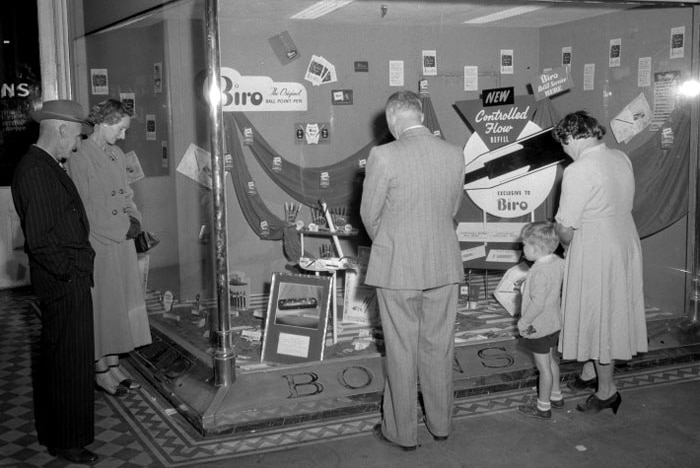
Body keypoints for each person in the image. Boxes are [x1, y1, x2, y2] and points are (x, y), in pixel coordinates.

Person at [360, 90, 464, 450]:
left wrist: (391, 243)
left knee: (401, 349)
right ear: (420, 115)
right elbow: (452, 209)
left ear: (391, 119)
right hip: (444, 262)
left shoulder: (383, 155)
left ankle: (402, 433)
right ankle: (441, 425)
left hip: (398, 267)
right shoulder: (454, 153)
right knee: (439, 346)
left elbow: (369, 216)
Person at [11, 100, 98, 463]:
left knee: (69, 360)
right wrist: (68, 273)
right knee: (67, 363)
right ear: (61, 129)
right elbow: (41, 238)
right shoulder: (36, 170)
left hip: (67, 277)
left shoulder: (44, 165)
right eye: (76, 136)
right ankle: (66, 442)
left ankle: (65, 434)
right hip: (64, 281)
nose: (76, 145)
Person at [552, 111, 647, 414]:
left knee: (600, 314)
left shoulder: (578, 170)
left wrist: (567, 247)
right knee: (610, 308)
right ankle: (590, 373)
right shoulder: (620, 158)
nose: (564, 150)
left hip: (596, 245)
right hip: (624, 239)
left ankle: (608, 391)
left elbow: (565, 225)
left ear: (572, 137)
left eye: (563, 144)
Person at [67, 99, 151, 396]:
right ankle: (100, 371)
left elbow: (127, 194)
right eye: (121, 128)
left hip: (122, 241)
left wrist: (135, 221)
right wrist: (120, 228)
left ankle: (115, 366)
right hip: (99, 243)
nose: (123, 135)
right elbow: (84, 208)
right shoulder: (79, 156)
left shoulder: (116, 154)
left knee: (119, 305)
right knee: (102, 307)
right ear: (105, 122)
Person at [515, 222, 565, 420]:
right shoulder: (558, 262)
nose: (523, 248)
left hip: (538, 326)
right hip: (554, 322)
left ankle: (543, 407)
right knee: (552, 361)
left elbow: (537, 304)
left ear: (535, 248)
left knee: (543, 367)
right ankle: (556, 395)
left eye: (525, 245)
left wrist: (523, 322)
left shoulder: (538, 271)